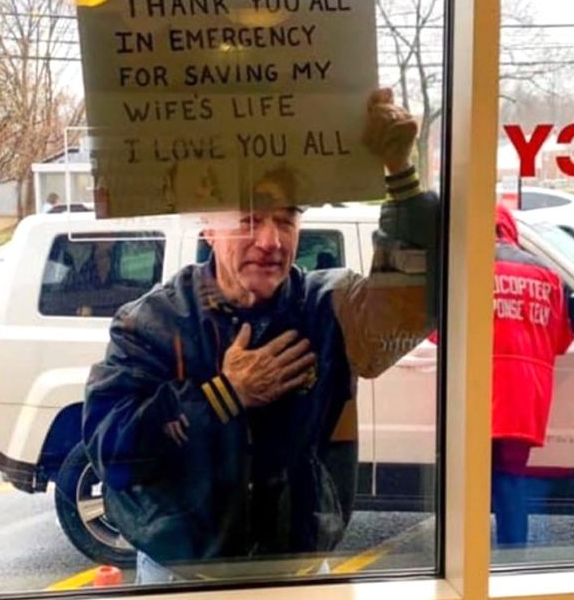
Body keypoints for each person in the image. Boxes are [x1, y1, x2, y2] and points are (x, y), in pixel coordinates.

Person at [82, 88, 439, 583]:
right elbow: (115, 455)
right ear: (208, 225)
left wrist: (400, 172)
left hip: (301, 570)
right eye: (250, 219)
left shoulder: (328, 307)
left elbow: (410, 304)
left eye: (286, 218)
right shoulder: (150, 324)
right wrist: (222, 397)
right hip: (186, 575)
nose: (270, 241)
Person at [490, 204, 574, 547]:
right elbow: (561, 340)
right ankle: (513, 560)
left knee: (464, 483)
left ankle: (460, 567)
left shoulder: (463, 268)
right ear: (509, 229)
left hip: (475, 390)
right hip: (525, 395)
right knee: (510, 479)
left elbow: (438, 334)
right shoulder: (547, 274)